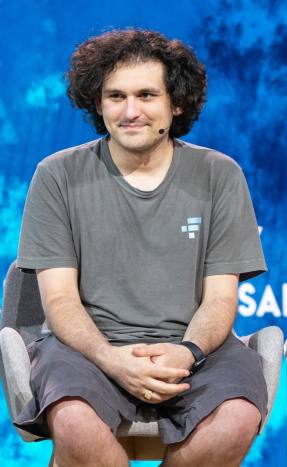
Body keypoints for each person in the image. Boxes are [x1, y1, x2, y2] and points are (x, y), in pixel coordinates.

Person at [14, 29, 268, 467]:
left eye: (147, 95)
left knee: (238, 418)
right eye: (116, 96)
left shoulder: (220, 175)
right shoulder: (56, 175)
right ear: (98, 103)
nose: (131, 112)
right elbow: (58, 299)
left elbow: (221, 297)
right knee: (74, 422)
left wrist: (186, 353)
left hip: (194, 350)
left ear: (177, 103)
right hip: (87, 350)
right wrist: (112, 360)